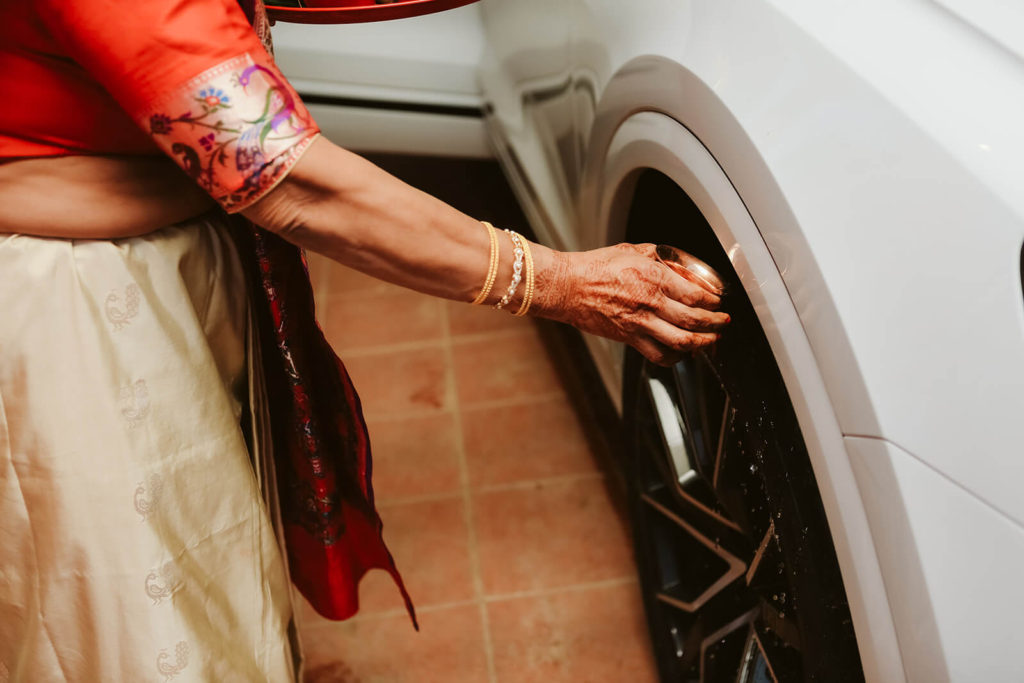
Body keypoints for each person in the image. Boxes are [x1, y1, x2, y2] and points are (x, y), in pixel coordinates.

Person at [0, 0, 729, 679]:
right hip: (78, 302)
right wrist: (557, 283)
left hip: (151, 251)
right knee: (139, 604)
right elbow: (287, 178)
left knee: (202, 554)